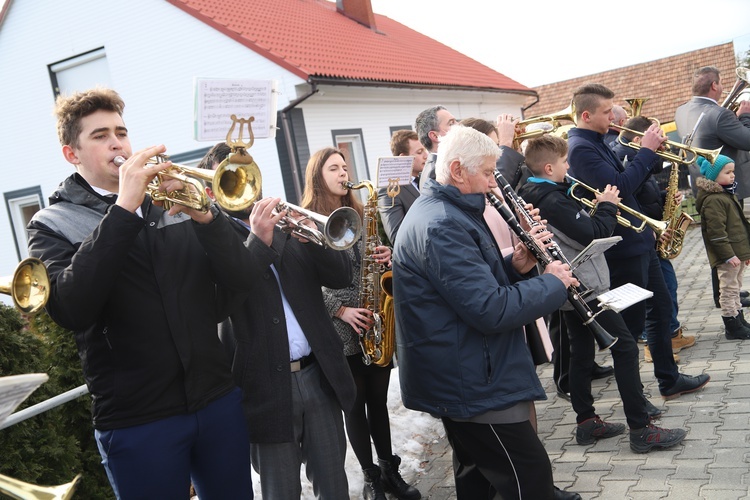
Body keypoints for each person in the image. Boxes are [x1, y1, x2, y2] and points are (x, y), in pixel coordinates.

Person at [26, 88, 254, 498]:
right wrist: (123, 208)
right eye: (99, 136)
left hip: (215, 399)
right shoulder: (51, 224)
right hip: (138, 421)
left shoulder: (171, 199)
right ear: (71, 154)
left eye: (121, 131)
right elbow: (71, 308)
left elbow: (241, 279)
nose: (117, 143)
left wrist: (206, 217)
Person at [393, 124, 581, 499]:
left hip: (468, 373)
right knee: (529, 479)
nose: (493, 182)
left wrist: (518, 265)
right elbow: (489, 308)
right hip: (474, 382)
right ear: (458, 170)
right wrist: (553, 283)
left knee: (478, 479)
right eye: (487, 172)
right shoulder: (441, 223)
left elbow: (465, 287)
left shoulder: (446, 210)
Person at [202, 145, 357, 499]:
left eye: (247, 172)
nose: (243, 183)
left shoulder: (286, 221)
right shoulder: (209, 239)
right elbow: (218, 304)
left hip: (318, 376)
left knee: (335, 487)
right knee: (281, 492)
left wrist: (314, 241)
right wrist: (257, 241)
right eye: (230, 176)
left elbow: (341, 276)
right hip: (263, 389)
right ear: (212, 189)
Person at [518, 134, 686, 452]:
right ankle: (641, 428)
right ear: (550, 166)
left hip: (569, 286)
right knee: (625, 349)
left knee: (580, 354)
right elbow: (592, 233)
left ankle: (586, 422)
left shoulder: (538, 192)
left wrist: (595, 210)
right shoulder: (551, 198)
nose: (570, 167)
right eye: (565, 162)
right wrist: (607, 207)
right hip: (584, 286)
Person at [567, 83, 710, 400]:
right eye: (606, 112)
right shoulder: (580, 148)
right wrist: (646, 151)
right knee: (628, 329)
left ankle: (668, 380)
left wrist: (656, 181)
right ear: (587, 115)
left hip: (640, 242)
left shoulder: (597, 142)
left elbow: (628, 187)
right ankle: (635, 398)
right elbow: (617, 187)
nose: (612, 118)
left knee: (659, 312)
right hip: (622, 251)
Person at [300, 147, 420, 500]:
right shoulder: (308, 219)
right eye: (333, 168)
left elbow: (372, 259)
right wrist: (340, 310)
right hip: (341, 328)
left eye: (344, 167)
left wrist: (385, 256)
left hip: (372, 319)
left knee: (378, 403)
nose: (342, 173)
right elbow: (305, 280)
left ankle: (389, 471)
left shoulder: (359, 210)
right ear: (317, 176)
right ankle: (370, 479)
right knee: (354, 405)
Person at [612, 116, 695, 362]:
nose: (661, 145)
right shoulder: (632, 161)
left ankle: (671, 334)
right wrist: (656, 228)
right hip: (649, 234)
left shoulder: (641, 161)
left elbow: (646, 194)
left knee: (668, 288)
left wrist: (665, 196)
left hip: (655, 232)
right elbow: (633, 200)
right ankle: (654, 344)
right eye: (656, 139)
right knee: (660, 293)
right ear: (640, 140)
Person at [674, 66, 750, 309]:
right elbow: (746, 140)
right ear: (715, 86)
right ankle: (728, 296)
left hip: (701, 185)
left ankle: (727, 294)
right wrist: (745, 115)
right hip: (724, 185)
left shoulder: (681, 110)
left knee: (716, 241)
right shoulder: (720, 115)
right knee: (729, 241)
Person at [695, 154, 750, 340]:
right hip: (728, 255)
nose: (732, 176)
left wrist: (745, 252)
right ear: (713, 175)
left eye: (733, 171)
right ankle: (732, 325)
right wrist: (728, 255)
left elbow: (738, 226)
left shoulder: (726, 194)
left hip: (737, 252)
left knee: (736, 287)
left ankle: (739, 319)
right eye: (727, 172)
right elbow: (716, 233)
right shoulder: (713, 200)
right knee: (728, 289)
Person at [377, 129, 427, 244]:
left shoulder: (427, 181)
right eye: (420, 152)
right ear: (404, 158)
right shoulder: (389, 190)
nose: (426, 155)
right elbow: (397, 237)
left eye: (425, 150)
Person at [416, 105, 457, 189]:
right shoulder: (435, 173)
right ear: (435, 136)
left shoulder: (441, 165)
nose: (459, 126)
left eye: (456, 121)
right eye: (451, 123)